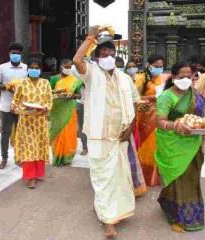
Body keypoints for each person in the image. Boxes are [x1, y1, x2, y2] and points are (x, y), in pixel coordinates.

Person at [73, 26, 140, 237]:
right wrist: (91, 37)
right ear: (97, 57)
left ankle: (106, 210)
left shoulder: (125, 79)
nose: (109, 57)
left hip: (120, 136)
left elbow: (135, 102)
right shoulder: (91, 73)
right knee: (102, 177)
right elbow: (76, 61)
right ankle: (108, 220)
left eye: (112, 54)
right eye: (104, 54)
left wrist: (130, 127)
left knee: (119, 177)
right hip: (99, 137)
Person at [155, 62, 205, 232]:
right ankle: (176, 215)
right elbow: (159, 121)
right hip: (173, 144)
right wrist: (175, 126)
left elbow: (201, 116)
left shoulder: (195, 94)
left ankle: (184, 210)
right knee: (177, 179)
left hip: (193, 143)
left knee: (191, 179)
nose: (186, 79)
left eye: (189, 76)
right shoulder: (166, 96)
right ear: (173, 77)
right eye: (182, 76)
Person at [11, 60, 53, 189]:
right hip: (26, 122)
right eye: (32, 67)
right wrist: (13, 107)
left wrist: (45, 108)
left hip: (40, 121)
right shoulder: (22, 83)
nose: (34, 69)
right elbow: (15, 99)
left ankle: (38, 174)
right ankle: (30, 177)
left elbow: (49, 100)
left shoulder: (45, 83)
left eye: (36, 67)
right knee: (29, 149)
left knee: (39, 147)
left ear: (40, 69)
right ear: (28, 69)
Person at [134, 54, 168, 186]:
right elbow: (135, 96)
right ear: (149, 65)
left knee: (158, 143)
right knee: (146, 145)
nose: (159, 69)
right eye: (156, 66)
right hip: (145, 115)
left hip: (160, 113)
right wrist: (152, 97)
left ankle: (157, 175)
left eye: (161, 66)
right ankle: (145, 175)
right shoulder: (141, 78)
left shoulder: (163, 77)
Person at [0, 42, 28, 169]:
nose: (15, 55)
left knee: (21, 133)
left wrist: (21, 89)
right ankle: (4, 158)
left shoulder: (26, 68)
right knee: (5, 133)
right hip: (6, 106)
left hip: (21, 107)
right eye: (13, 53)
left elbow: (30, 85)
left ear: (21, 55)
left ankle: (19, 157)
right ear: (9, 54)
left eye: (17, 54)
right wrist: (8, 87)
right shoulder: (1, 68)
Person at [49, 59, 83, 166]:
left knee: (69, 133)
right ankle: (57, 157)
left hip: (70, 109)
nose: (68, 69)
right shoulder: (53, 79)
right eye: (66, 67)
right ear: (61, 68)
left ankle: (68, 157)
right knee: (58, 132)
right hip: (57, 110)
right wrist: (58, 94)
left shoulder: (74, 80)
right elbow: (49, 93)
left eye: (70, 67)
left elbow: (79, 95)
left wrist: (72, 95)